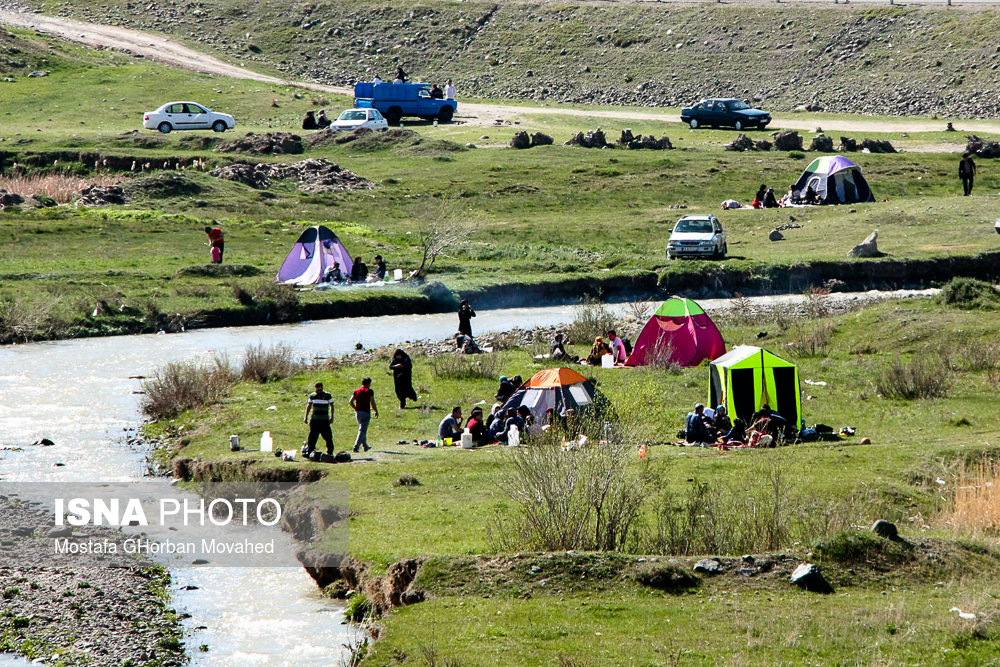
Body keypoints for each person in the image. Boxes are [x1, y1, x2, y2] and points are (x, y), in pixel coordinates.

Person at [303, 382, 334, 456]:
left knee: (328, 437)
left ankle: (330, 451)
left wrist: (332, 417)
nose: (318, 391)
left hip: (324, 420)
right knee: (312, 437)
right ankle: (310, 451)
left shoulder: (327, 396)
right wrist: (306, 416)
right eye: (317, 389)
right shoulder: (313, 396)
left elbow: (332, 406)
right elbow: (309, 406)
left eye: (320, 389)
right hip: (315, 420)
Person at [349, 377, 378, 453]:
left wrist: (356, 408)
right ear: (368, 383)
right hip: (366, 412)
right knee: (362, 430)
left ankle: (365, 446)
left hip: (358, 413)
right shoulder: (369, 391)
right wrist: (376, 410)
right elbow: (372, 402)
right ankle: (356, 446)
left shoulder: (356, 391)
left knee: (362, 429)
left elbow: (350, 401)